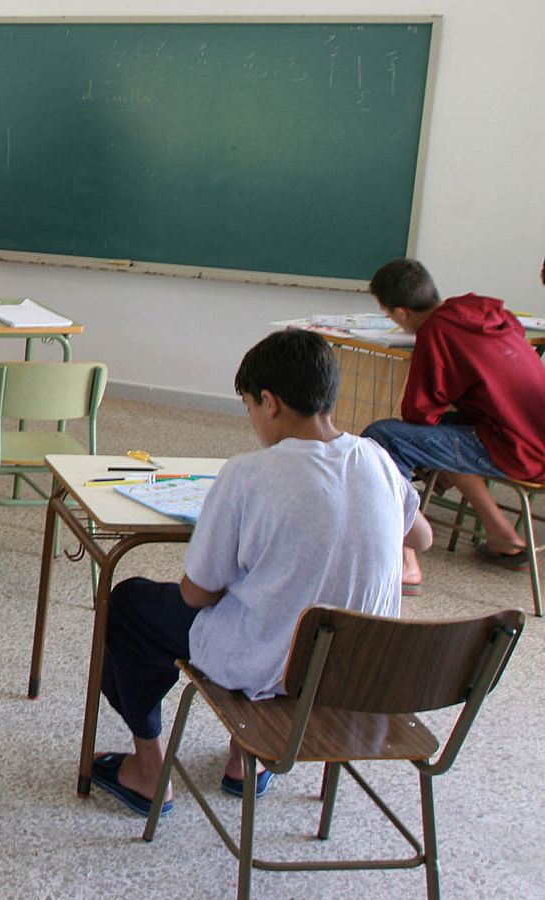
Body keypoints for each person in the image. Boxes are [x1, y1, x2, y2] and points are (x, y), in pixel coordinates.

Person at [91, 329, 430, 817]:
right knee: (276, 598)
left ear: (269, 402)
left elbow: (196, 594)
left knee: (129, 604)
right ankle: (243, 757)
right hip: (356, 673)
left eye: (249, 405)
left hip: (274, 666)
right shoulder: (376, 458)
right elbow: (421, 539)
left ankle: (149, 772)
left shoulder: (248, 474)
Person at [362, 259, 545, 586]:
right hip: (528, 429)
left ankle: (405, 560)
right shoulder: (483, 309)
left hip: (521, 449)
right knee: (435, 435)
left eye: (389, 314)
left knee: (383, 436)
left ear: (402, 313)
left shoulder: (436, 332)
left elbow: (418, 412)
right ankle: (500, 531)